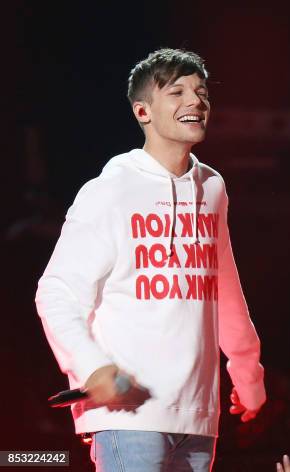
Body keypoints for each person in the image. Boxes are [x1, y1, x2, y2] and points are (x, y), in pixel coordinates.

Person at [35, 48, 266, 471]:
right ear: (143, 111)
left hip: (197, 412)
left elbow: (224, 287)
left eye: (201, 92)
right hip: (128, 414)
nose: (195, 101)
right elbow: (56, 293)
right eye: (177, 92)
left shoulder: (213, 187)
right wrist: (93, 369)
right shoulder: (110, 190)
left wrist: (247, 369)